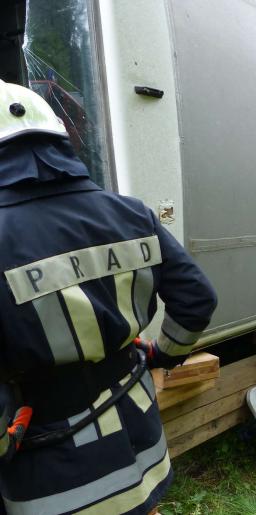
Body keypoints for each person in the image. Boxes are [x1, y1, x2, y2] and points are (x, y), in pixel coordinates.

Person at [0, 80, 217, 514]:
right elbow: (197, 299)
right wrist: (163, 355)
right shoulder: (132, 213)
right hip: (141, 438)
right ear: (61, 140)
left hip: (52, 474)